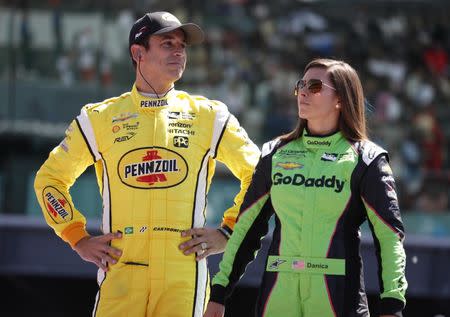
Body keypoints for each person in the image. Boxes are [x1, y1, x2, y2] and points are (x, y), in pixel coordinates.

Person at [34, 11, 260, 317]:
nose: (179, 51)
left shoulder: (210, 115)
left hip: (183, 275)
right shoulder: (98, 118)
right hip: (121, 268)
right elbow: (49, 180)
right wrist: (78, 237)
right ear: (138, 53)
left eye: (182, 45)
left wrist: (228, 231)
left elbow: (260, 174)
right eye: (167, 43)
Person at [204, 58, 407, 317]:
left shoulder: (367, 159)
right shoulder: (274, 153)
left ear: (341, 99)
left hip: (336, 297)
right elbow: (246, 228)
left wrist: (392, 305)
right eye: (301, 84)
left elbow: (389, 238)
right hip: (278, 295)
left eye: (315, 86)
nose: (302, 91)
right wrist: (219, 292)